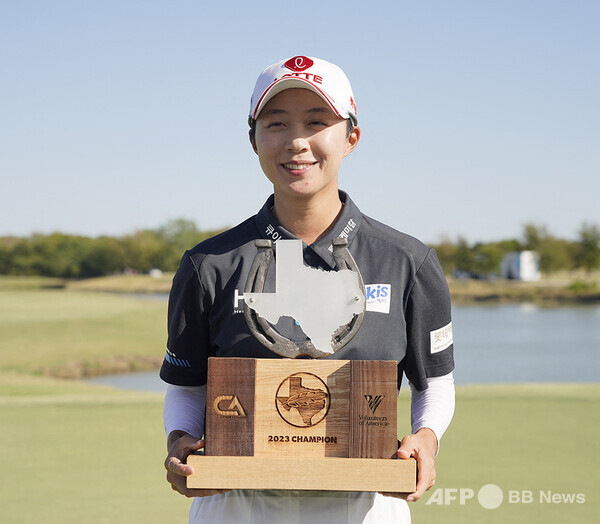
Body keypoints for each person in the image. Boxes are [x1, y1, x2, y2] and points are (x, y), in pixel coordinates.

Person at [160, 55, 455, 523]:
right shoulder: (207, 264)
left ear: (351, 137)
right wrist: (180, 439)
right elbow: (189, 387)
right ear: (253, 139)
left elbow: (434, 381)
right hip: (235, 506)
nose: (297, 142)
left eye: (317, 122)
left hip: (366, 505)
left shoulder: (407, 261)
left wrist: (426, 436)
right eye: (275, 123)